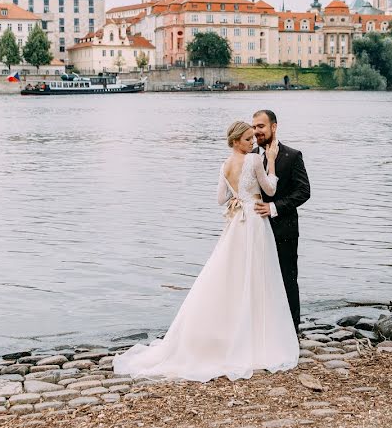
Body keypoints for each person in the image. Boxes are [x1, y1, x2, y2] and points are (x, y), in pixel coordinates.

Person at [113, 121, 299, 382]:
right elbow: (270, 189)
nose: (252, 143)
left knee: (231, 274)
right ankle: (257, 334)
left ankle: (232, 331)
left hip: (236, 223)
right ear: (236, 141)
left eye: (252, 139)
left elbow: (220, 199)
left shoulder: (224, 166)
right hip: (255, 221)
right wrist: (269, 162)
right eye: (247, 139)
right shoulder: (255, 160)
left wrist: (238, 197)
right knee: (257, 274)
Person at [251, 109, 310, 333]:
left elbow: (304, 191)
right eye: (254, 126)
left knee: (287, 278)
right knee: (258, 278)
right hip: (256, 229)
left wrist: (274, 207)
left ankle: (292, 329)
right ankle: (263, 325)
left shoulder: (292, 155)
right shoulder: (251, 156)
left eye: (261, 126)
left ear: (273, 127)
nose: (257, 131)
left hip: (284, 229)